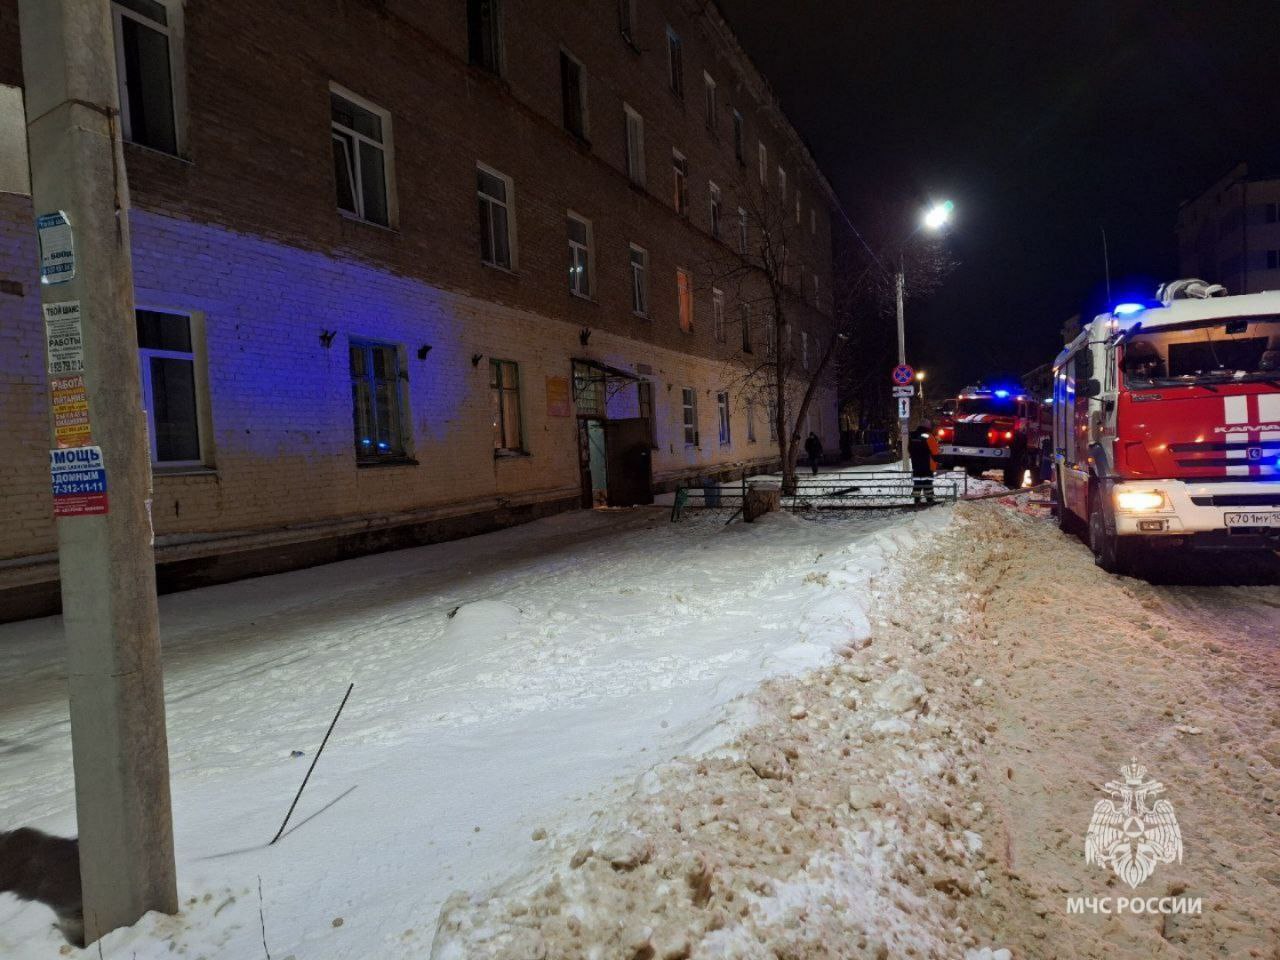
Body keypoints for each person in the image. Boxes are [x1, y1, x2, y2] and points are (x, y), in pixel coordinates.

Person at [907, 420, 939, 504]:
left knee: (917, 481)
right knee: (927, 481)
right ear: (928, 426)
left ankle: (916, 500)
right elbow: (935, 451)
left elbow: (909, 449)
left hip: (916, 463)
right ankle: (929, 499)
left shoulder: (913, 435)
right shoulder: (928, 436)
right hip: (927, 464)